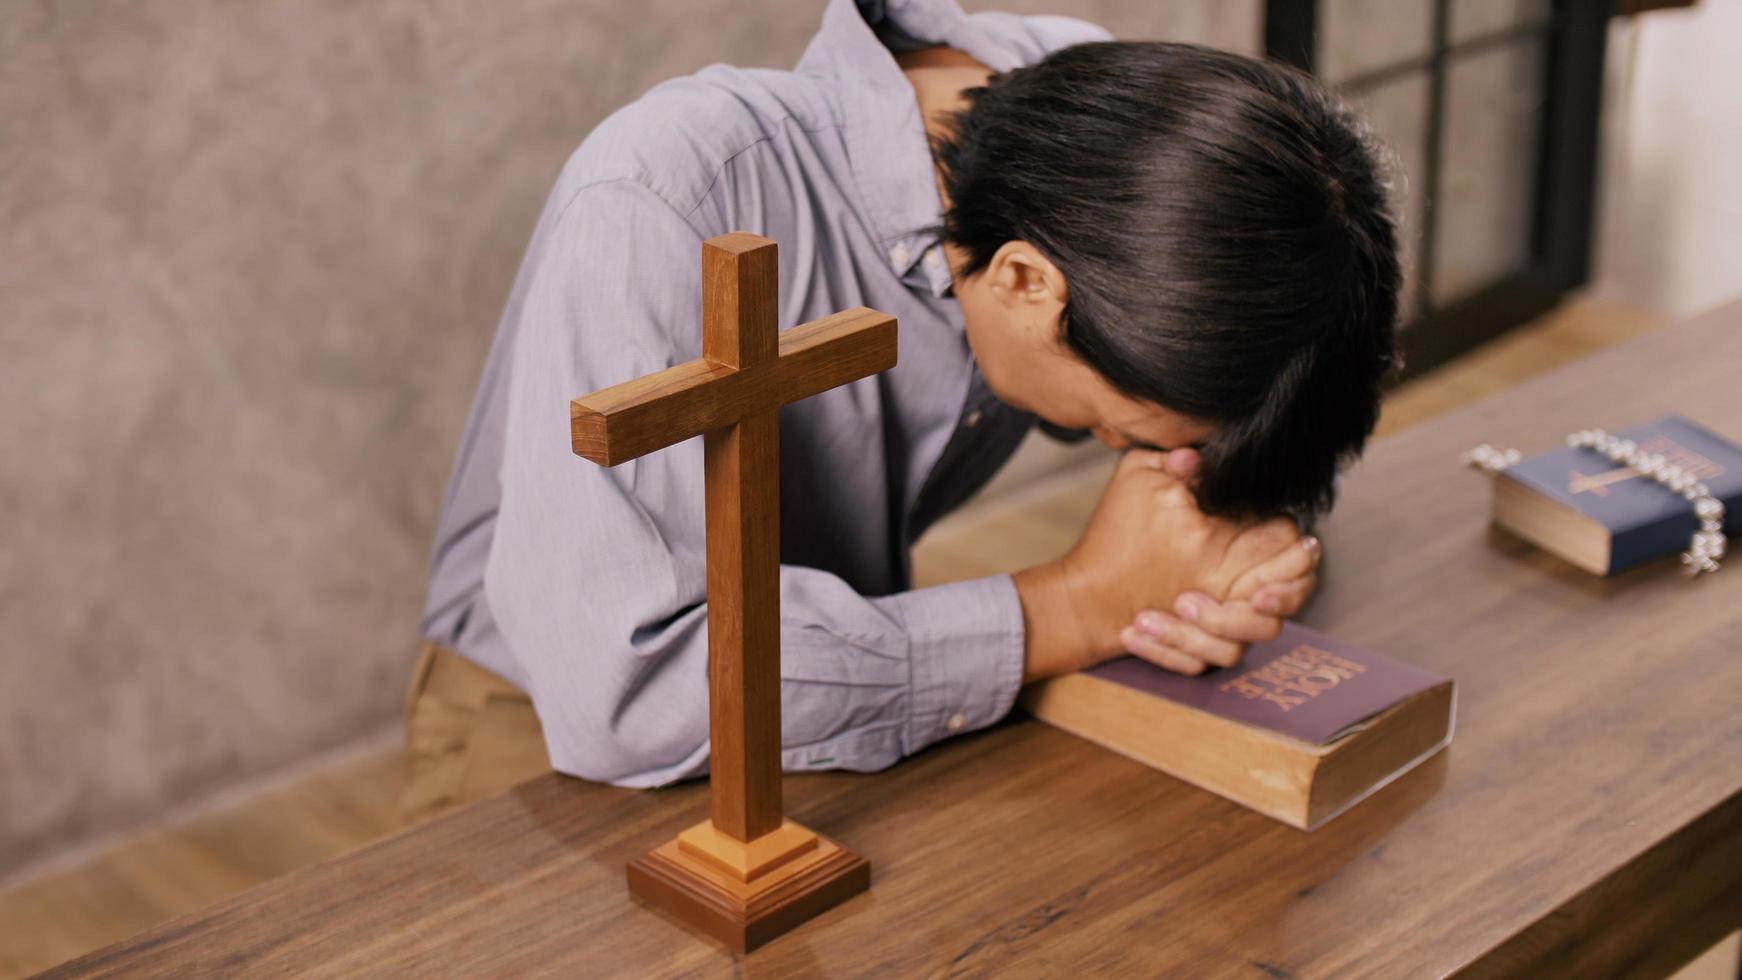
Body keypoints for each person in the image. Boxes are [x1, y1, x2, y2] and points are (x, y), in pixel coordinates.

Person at [402, 0, 1400, 821]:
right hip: (538, 721)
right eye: (1127, 436)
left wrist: (1235, 538)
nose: (1149, 459)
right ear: (1020, 281)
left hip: (840, 689)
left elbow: (1268, 365)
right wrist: (1072, 604)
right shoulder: (662, 197)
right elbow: (618, 695)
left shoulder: (1098, 142)